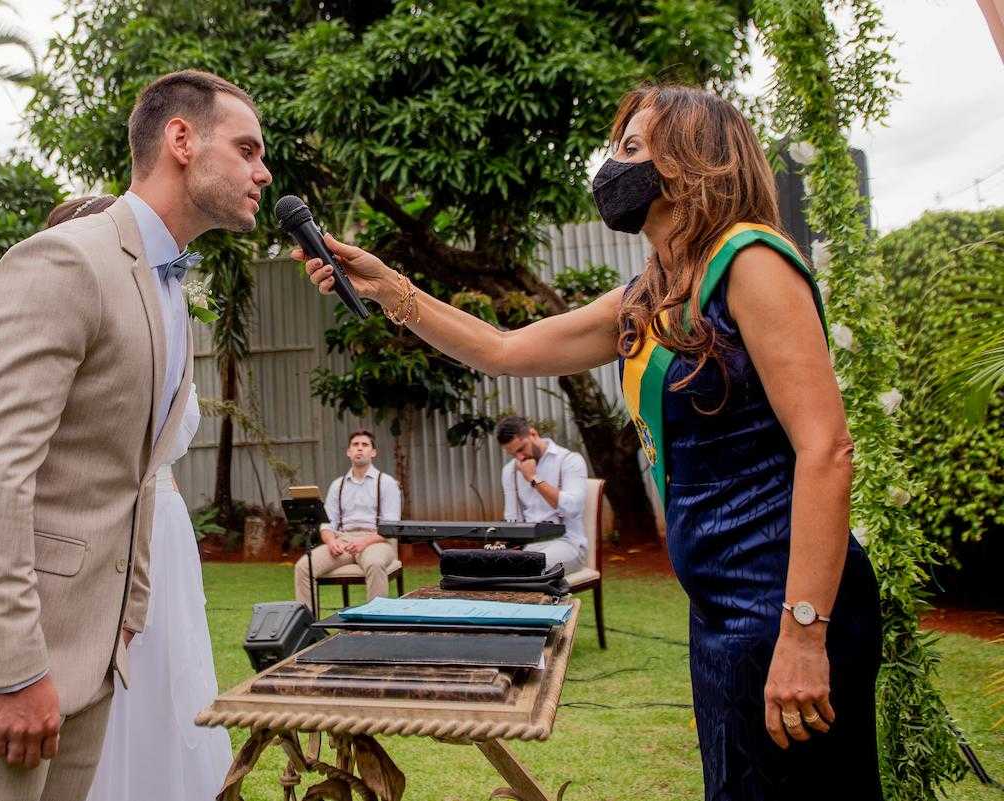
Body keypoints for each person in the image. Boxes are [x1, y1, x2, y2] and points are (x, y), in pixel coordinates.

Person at [296, 84, 883, 801]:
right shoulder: (652, 293)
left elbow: (827, 449)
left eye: (633, 149)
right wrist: (392, 288)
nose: (614, 167)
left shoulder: (751, 261)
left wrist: (802, 632)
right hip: (718, 607)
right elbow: (503, 349)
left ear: (692, 160)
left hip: (785, 604)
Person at [0, 69, 271, 801]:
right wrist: (14, 668)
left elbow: (134, 476)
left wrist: (124, 626)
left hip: (92, 661)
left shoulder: (168, 286)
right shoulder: (65, 259)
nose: (263, 170)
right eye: (248, 148)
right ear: (181, 139)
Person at [45, 195, 232, 801]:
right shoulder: (68, 324)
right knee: (98, 664)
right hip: (99, 517)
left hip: (165, 520)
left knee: (169, 665)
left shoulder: (168, 319)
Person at [294, 430, 402, 609]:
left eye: (365, 445)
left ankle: (374, 626)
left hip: (377, 540)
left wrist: (363, 543)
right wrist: (330, 541)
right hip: (343, 540)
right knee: (304, 566)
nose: (360, 449)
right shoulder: (338, 485)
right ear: (348, 452)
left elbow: (391, 526)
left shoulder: (386, 482)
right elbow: (327, 522)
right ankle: (308, 628)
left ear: (373, 452)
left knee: (375, 564)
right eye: (355, 445)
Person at [495, 416, 588, 572]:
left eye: (521, 449)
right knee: (488, 567)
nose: (520, 457)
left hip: (568, 544)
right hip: (529, 547)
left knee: (527, 567)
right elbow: (512, 519)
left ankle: (554, 597)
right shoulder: (510, 471)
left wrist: (533, 479)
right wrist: (499, 544)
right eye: (513, 454)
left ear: (533, 434)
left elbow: (573, 509)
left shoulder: (569, 461)